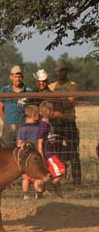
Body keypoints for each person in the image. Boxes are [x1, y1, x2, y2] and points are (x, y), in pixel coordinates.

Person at [48, 59, 82, 188]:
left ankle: (77, 182)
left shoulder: (72, 85)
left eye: (61, 70)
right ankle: (56, 181)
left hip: (68, 121)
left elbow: (70, 101)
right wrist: (62, 101)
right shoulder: (51, 86)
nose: (59, 73)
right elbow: (50, 102)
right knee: (54, 151)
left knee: (73, 152)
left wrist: (56, 102)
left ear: (66, 71)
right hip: (55, 122)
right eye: (57, 71)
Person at [0, 65, 32, 149]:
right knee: (6, 151)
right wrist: (5, 119)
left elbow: (31, 110)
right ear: (11, 77)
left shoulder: (28, 91)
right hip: (8, 126)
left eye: (19, 76)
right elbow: (0, 106)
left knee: (22, 150)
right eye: (15, 76)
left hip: (22, 126)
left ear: (23, 77)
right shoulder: (5, 90)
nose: (18, 79)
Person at [37, 101, 66, 193]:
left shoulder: (49, 123)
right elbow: (40, 141)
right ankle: (48, 188)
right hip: (47, 154)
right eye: (52, 110)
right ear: (48, 111)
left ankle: (47, 190)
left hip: (50, 152)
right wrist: (41, 155)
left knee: (52, 173)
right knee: (61, 170)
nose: (53, 112)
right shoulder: (43, 124)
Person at [16, 105, 42, 199]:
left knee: (26, 178)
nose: (39, 115)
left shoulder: (22, 129)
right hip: (36, 155)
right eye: (37, 114)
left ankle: (25, 195)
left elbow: (19, 144)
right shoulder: (39, 128)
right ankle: (38, 194)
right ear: (31, 115)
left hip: (26, 156)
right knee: (37, 177)